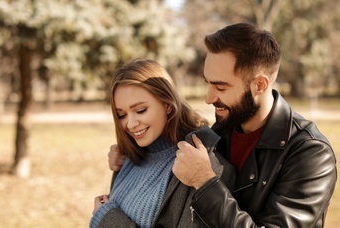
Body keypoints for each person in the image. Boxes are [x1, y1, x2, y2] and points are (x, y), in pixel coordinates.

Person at [108, 23, 337, 227]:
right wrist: (131, 153)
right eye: (208, 84)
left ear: (259, 85)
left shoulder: (310, 153)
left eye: (221, 87)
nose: (209, 98)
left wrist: (205, 182)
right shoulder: (219, 131)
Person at [90, 58, 235, 227]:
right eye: (121, 115)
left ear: (167, 104)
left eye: (140, 110)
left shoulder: (202, 163)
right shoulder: (130, 156)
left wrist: (106, 219)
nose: (130, 124)